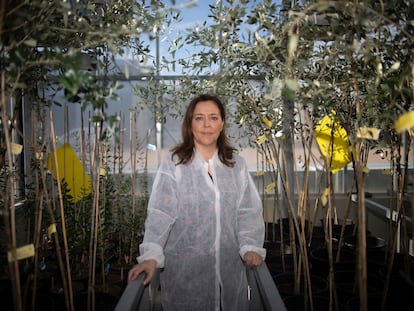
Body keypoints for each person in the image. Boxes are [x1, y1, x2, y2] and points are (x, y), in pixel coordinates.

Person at [128, 94, 266, 311]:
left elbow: (247, 210)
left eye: (213, 117)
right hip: (186, 274)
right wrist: (151, 256)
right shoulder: (175, 164)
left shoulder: (235, 164)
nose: (207, 124)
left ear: (222, 123)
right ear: (190, 124)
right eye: (199, 118)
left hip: (230, 271)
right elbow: (160, 214)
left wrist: (250, 246)